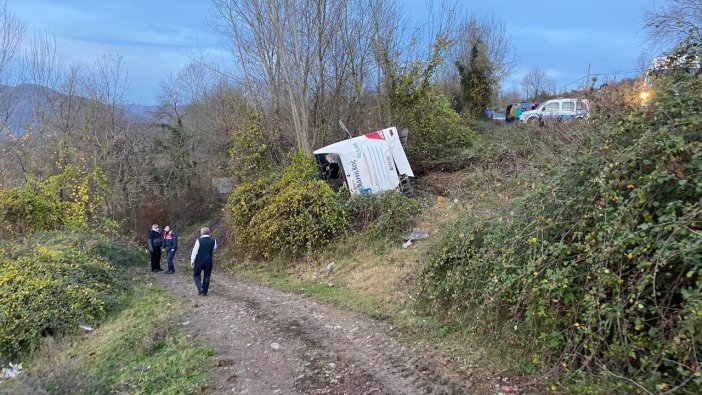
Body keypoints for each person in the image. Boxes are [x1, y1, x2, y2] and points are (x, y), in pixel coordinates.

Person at [191, 227, 217, 296]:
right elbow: (215, 248)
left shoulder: (199, 240)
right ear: (209, 232)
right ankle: (205, 292)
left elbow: (195, 251)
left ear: (201, 233)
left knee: (196, 275)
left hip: (199, 261)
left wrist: (192, 260)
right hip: (209, 261)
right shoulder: (213, 240)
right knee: (207, 276)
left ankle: (200, 287)